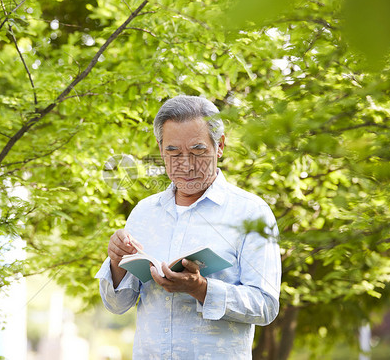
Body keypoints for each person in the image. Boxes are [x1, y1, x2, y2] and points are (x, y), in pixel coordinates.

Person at [95, 95, 281, 359]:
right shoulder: (144, 213)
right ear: (160, 148)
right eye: (173, 151)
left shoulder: (252, 212)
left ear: (219, 146)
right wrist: (116, 262)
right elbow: (115, 305)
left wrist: (201, 289)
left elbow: (266, 306)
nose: (185, 163)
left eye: (197, 151)